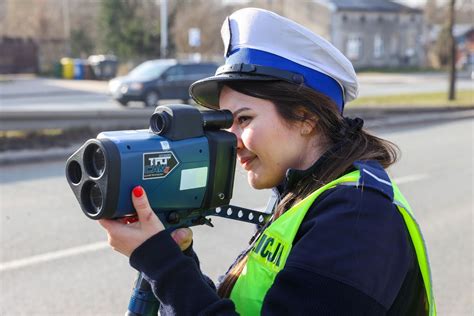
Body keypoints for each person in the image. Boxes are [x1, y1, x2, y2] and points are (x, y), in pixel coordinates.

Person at [99, 8, 436, 315]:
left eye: (244, 120)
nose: (231, 140)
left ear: (305, 118)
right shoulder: (308, 196)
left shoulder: (358, 220)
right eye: (226, 122)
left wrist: (162, 263)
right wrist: (177, 257)